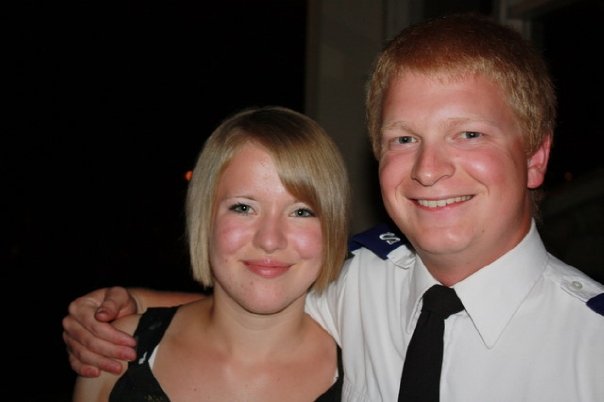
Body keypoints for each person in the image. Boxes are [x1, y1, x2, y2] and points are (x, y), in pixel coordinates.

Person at [64, 13, 604, 401]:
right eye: (403, 139)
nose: (428, 169)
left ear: (535, 158)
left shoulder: (592, 348)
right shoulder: (364, 276)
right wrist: (127, 305)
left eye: (468, 134)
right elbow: (259, 293)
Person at [70, 105, 350, 401]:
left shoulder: (368, 368)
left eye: (301, 212)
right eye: (243, 208)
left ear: (332, 228)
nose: (270, 240)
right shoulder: (113, 352)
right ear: (205, 217)